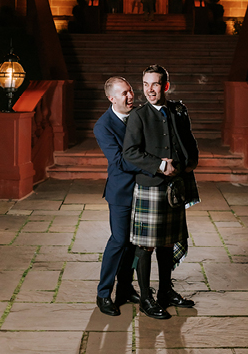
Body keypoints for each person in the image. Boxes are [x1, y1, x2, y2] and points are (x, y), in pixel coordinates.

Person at [123, 64, 200, 319]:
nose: (149, 90)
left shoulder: (178, 110)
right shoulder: (139, 116)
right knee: (145, 246)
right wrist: (159, 165)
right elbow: (130, 152)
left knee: (168, 242)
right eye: (145, 84)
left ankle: (165, 291)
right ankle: (146, 298)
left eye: (155, 84)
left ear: (165, 85)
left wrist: (191, 162)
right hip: (151, 187)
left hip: (175, 186)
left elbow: (188, 139)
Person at [93, 76, 147, 316]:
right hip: (121, 192)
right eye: (124, 93)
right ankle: (104, 294)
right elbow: (118, 160)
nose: (130, 96)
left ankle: (125, 289)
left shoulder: (139, 115)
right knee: (119, 240)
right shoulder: (102, 126)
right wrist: (154, 166)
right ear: (111, 98)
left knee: (135, 244)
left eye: (130, 91)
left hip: (145, 188)